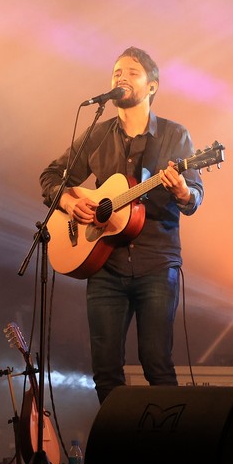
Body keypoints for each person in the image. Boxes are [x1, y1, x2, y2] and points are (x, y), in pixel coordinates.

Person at [39, 46, 204, 403]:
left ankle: (166, 450)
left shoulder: (176, 137)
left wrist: (182, 190)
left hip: (156, 265)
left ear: (152, 86)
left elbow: (196, 198)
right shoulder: (97, 135)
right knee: (105, 371)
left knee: (157, 363)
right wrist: (70, 200)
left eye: (131, 72)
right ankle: (121, 449)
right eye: (116, 72)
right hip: (105, 265)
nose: (120, 77)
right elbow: (51, 176)